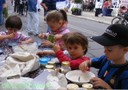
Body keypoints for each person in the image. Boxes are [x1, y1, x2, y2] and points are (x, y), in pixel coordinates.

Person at [79, 24, 128, 89]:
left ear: (125, 50)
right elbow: (92, 62)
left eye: (109, 50)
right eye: (104, 48)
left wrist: (107, 87)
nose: (105, 52)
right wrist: (86, 63)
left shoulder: (125, 74)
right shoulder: (105, 59)